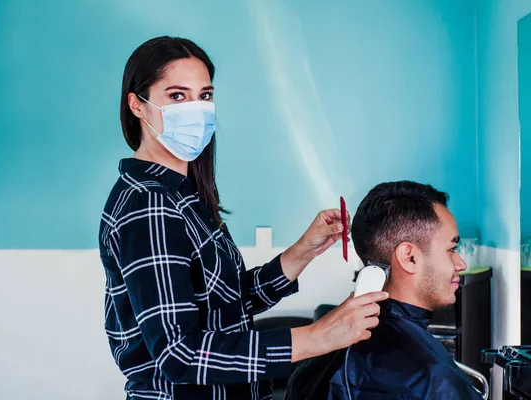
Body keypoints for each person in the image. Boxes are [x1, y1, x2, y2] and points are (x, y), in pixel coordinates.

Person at [97, 36, 388, 399]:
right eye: (176, 96)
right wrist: (317, 337)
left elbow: (224, 307)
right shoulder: (149, 204)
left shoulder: (183, 195)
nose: (196, 109)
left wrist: (302, 252)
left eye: (204, 95)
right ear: (137, 105)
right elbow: (179, 354)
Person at [285, 181, 484, 400]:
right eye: (452, 249)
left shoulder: (314, 361)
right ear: (409, 257)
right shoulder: (433, 378)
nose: (461, 263)